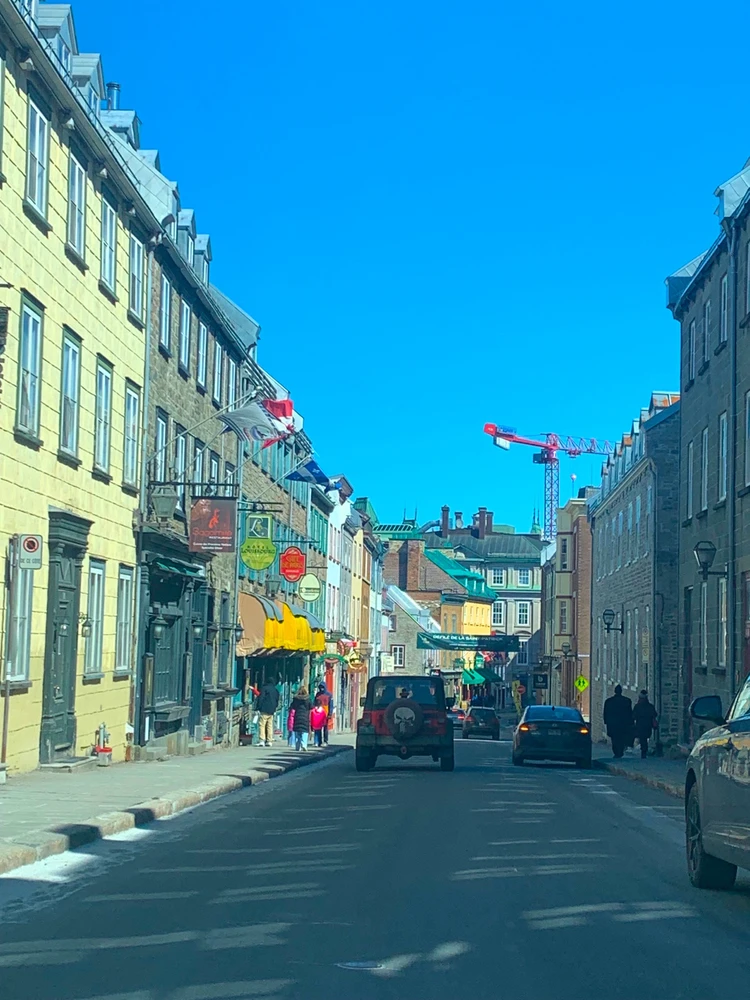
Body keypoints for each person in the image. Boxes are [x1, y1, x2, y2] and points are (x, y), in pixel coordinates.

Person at [603, 684, 633, 759]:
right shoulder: (627, 701)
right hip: (623, 724)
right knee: (622, 738)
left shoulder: (609, 701)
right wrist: (630, 723)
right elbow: (629, 713)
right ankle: (620, 751)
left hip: (612, 724)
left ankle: (617, 752)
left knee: (614, 739)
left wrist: (606, 722)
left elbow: (605, 713)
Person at [633, 690, 657, 759]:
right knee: (645, 738)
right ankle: (644, 751)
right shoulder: (650, 706)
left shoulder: (637, 706)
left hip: (640, 725)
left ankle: (643, 751)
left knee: (642, 738)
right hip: (648, 725)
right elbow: (654, 714)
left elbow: (633, 716)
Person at [256, 680, 280, 747]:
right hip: (272, 710)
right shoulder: (275, 690)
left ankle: (262, 740)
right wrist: (275, 708)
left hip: (264, 709)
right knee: (270, 725)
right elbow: (277, 700)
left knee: (262, 725)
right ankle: (269, 741)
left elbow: (261, 698)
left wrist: (258, 707)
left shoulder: (264, 689)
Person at [291, 685, 312, 751]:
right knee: (304, 732)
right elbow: (311, 706)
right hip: (305, 716)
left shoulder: (296, 699)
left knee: (298, 732)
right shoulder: (308, 699)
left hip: (297, 716)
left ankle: (298, 746)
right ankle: (304, 744)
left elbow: (293, 706)